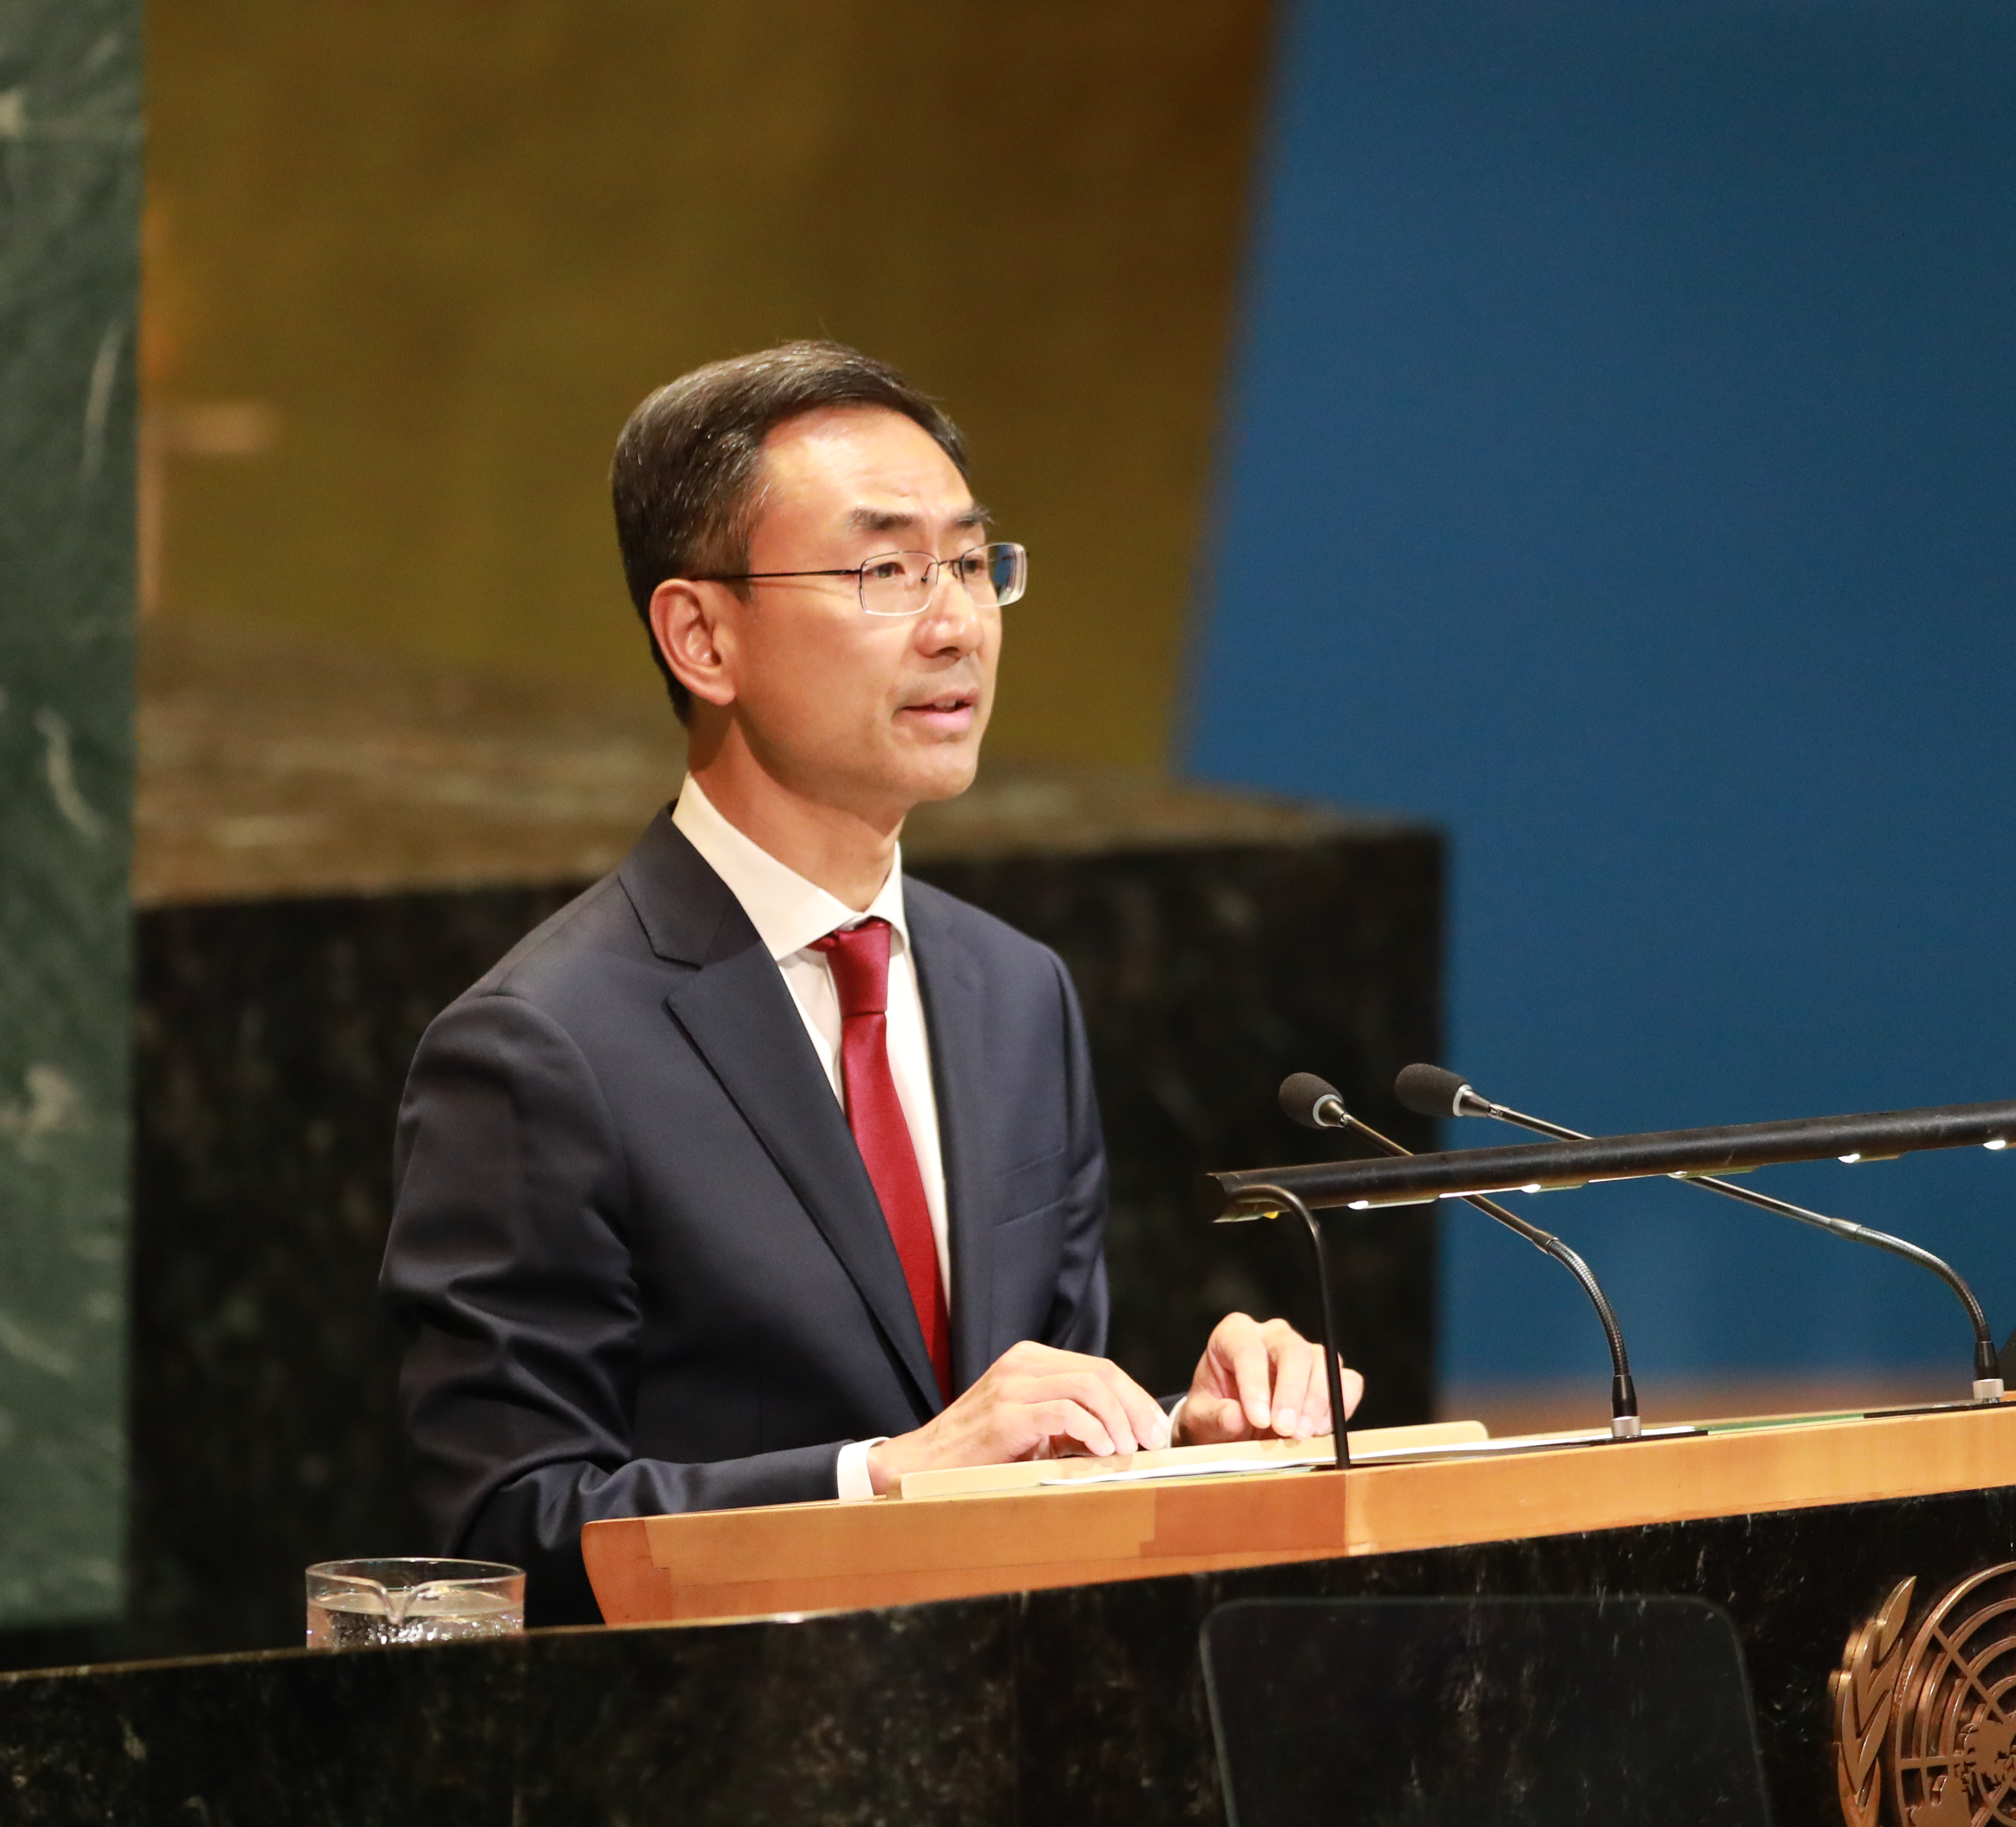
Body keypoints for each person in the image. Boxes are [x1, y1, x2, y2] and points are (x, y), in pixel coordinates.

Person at [380, 342, 1360, 1620]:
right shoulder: (541, 1046)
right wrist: (877, 1481)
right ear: (702, 637)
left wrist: (1182, 1435)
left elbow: (1025, 1431)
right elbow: (504, 1530)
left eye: (969, 561)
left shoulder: (1016, 994)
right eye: (885, 570)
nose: (955, 622)